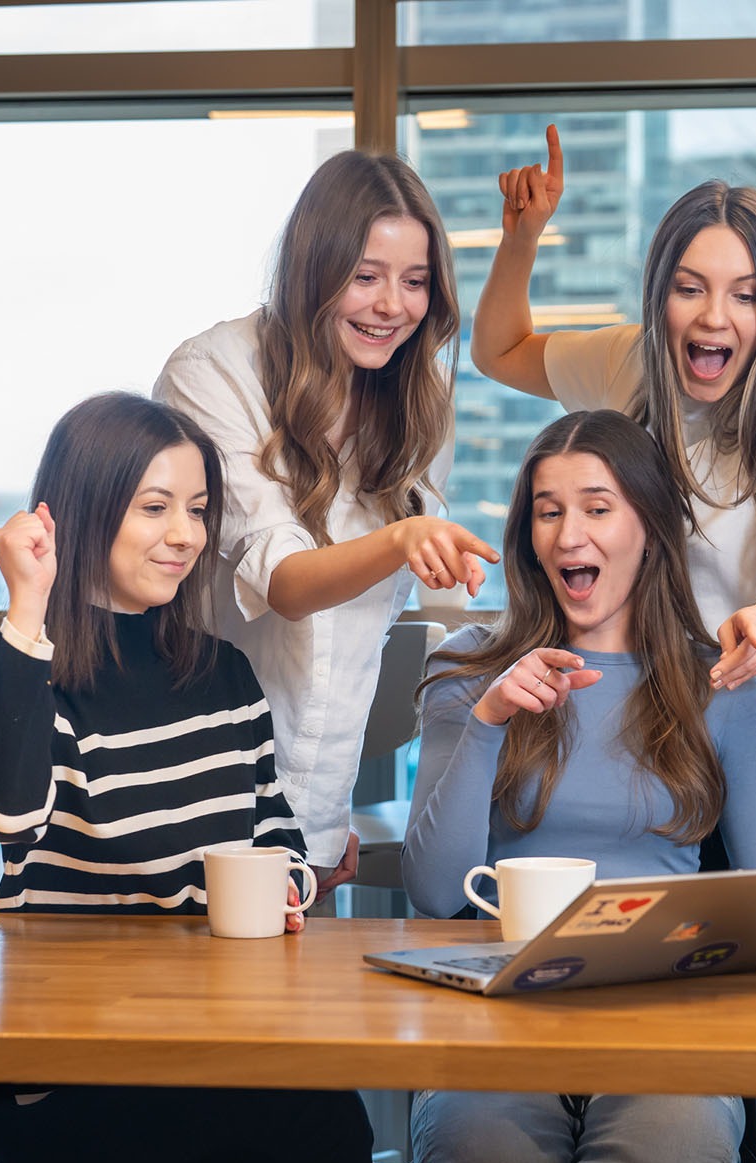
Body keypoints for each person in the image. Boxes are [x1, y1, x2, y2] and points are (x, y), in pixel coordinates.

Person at [0, 392, 375, 1163]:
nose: (185, 535)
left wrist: (291, 882)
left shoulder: (223, 675)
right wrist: (28, 604)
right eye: (154, 508)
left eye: (198, 509)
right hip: (66, 1068)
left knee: (320, 1120)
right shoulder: (16, 678)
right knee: (312, 1129)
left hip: (210, 1034)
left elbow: (273, 827)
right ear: (80, 511)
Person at [402, 409, 756, 1163]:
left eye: (597, 507)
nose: (568, 534)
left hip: (668, 1017)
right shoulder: (468, 671)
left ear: (648, 524)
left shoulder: (717, 686)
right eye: (548, 512)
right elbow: (436, 892)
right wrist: (490, 720)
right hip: (500, 1015)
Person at [471, 125, 756, 869]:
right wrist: (523, 238)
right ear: (660, 294)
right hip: (653, 716)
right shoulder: (629, 364)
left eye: (745, 296)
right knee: (666, 949)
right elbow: (496, 351)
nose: (713, 317)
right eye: (689, 289)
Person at [154, 150, 498, 881]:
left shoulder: (420, 410)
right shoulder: (215, 374)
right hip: (191, 801)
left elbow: (353, 649)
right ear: (313, 268)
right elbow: (283, 583)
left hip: (313, 819)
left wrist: (321, 813)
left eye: (414, 282)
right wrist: (401, 539)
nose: (392, 306)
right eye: (365, 277)